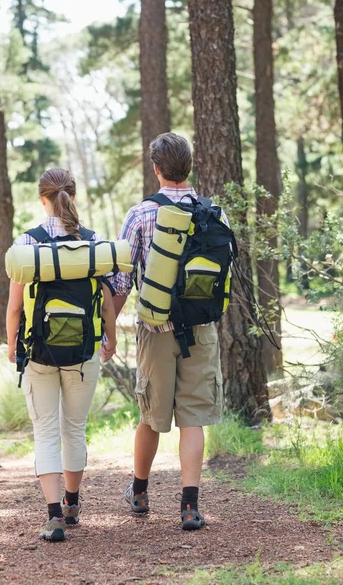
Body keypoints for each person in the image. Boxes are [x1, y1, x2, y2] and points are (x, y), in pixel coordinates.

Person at [110, 133, 224, 531]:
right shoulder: (215, 214)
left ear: (156, 168)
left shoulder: (140, 214)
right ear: (189, 167)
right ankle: (189, 507)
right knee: (192, 419)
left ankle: (139, 491)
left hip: (156, 329)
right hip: (202, 331)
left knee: (151, 415)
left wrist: (108, 333)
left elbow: (121, 283)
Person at [6, 168, 117, 542]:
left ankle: (53, 517)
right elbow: (105, 304)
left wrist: (11, 346)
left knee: (46, 432)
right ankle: (72, 503)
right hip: (83, 353)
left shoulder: (27, 243)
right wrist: (110, 340)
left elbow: (15, 309)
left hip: (38, 352)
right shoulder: (93, 242)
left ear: (43, 198)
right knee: (74, 428)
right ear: (73, 195)